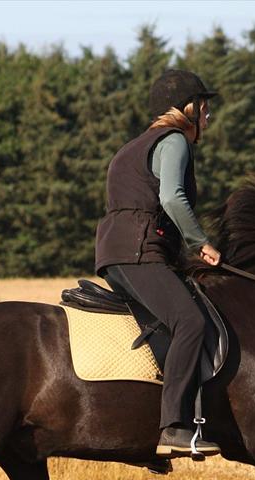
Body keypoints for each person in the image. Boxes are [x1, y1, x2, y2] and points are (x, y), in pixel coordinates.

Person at [94, 69, 223, 459]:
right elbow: (171, 199)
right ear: (187, 108)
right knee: (190, 321)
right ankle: (174, 427)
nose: (207, 116)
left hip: (117, 251)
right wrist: (201, 243)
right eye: (204, 107)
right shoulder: (174, 141)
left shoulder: (133, 146)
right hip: (139, 252)